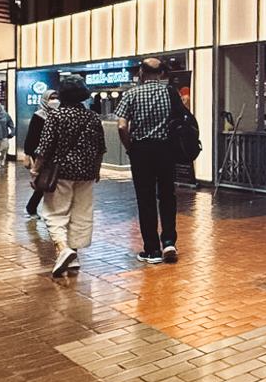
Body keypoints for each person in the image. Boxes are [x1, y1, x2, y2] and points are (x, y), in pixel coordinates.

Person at [35, 75, 106, 277]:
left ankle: (62, 248)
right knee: (81, 212)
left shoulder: (56, 116)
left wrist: (35, 170)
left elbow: (45, 147)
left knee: (55, 212)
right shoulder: (92, 117)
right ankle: (74, 255)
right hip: (87, 172)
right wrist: (97, 169)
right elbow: (101, 147)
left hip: (60, 172)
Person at [116, 57, 181, 264]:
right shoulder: (171, 92)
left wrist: (130, 148)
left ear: (141, 73)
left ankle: (152, 250)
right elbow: (182, 118)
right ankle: (169, 241)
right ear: (162, 74)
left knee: (146, 199)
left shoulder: (130, 94)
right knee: (167, 195)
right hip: (166, 150)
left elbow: (121, 126)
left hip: (141, 151)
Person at [22, 90, 59, 219]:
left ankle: (36, 207)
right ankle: (32, 207)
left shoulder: (60, 114)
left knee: (51, 181)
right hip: (40, 153)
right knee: (44, 180)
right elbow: (32, 136)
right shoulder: (39, 116)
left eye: (56, 98)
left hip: (56, 153)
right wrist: (27, 154)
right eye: (51, 98)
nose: (54, 101)